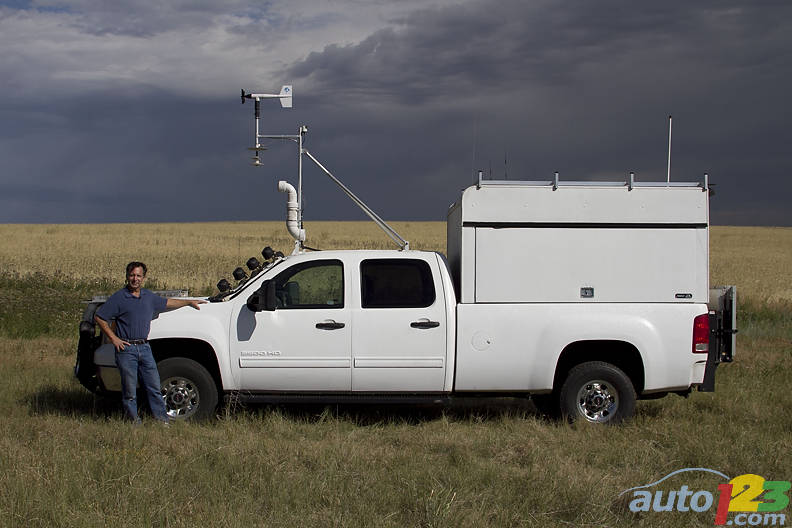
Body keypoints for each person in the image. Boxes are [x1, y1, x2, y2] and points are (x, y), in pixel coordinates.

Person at [94, 261, 206, 424]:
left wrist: (188, 302)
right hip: (126, 349)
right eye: (132, 275)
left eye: (138, 275)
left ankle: (162, 420)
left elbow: (167, 303)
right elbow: (100, 317)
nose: (135, 279)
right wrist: (114, 339)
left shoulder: (148, 296)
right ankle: (133, 421)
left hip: (145, 348)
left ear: (144, 278)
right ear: (127, 276)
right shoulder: (119, 297)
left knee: (154, 386)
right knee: (129, 389)